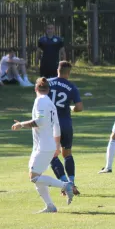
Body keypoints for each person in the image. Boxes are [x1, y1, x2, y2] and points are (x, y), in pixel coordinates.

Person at [11, 77, 75, 213]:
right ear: (48, 90)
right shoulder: (51, 103)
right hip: (46, 145)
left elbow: (39, 121)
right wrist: (57, 145)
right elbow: (56, 126)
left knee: (34, 177)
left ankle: (65, 185)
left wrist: (21, 124)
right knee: (37, 176)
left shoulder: (40, 101)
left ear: (35, 89)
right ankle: (50, 206)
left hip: (44, 146)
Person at [47, 61, 83, 196]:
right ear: (69, 73)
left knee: (52, 154)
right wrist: (70, 108)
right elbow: (79, 107)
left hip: (50, 125)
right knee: (67, 154)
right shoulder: (71, 87)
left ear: (58, 70)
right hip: (66, 124)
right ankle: (72, 182)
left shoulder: (47, 83)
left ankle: (64, 183)